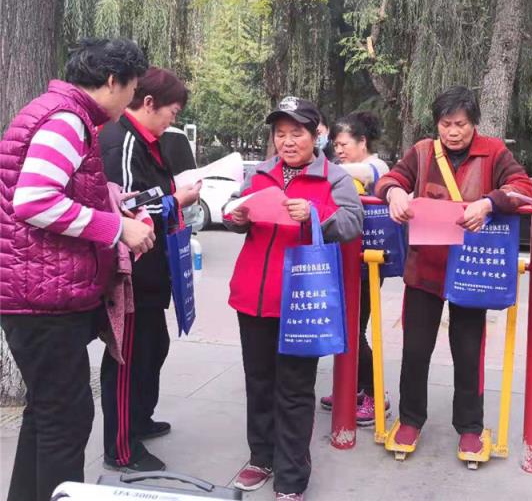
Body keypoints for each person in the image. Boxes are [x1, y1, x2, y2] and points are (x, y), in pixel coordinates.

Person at [0, 38, 152, 501]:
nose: (131, 101)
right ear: (113, 80)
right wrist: (117, 228)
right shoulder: (66, 120)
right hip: (41, 300)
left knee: (47, 414)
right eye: (133, 89)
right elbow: (34, 201)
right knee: (66, 420)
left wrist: (104, 195)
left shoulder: (62, 113)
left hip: (36, 292)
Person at [374, 86, 532, 456]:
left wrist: (489, 203)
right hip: (424, 269)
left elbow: (522, 186)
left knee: (468, 351)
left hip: (470, 271)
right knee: (415, 350)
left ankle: (470, 426)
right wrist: (394, 193)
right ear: (437, 124)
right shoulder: (421, 152)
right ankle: (410, 419)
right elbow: (388, 179)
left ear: (473, 122)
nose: (453, 132)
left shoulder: (493, 151)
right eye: (445, 124)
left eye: (460, 124)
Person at [224, 96, 362, 499]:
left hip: (301, 300)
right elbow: (237, 214)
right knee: (258, 382)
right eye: (280, 133)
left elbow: (352, 222)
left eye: (296, 133)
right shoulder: (261, 173)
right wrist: (237, 217)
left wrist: (315, 213)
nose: (286, 141)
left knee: (295, 390)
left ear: (316, 135)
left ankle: (291, 477)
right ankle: (260, 457)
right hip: (253, 296)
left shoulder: (334, 178)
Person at [99, 67, 202, 472]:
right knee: (127, 359)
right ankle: (121, 448)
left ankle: (139, 419)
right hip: (132, 275)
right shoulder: (122, 140)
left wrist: (173, 194)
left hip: (153, 270)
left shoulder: (148, 142)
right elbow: (126, 208)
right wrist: (177, 200)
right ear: (148, 103)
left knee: (153, 347)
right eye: (172, 113)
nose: (172, 121)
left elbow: (150, 193)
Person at [319, 111, 390, 425]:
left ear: (363, 142)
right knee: (344, 328)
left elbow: (358, 173)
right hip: (343, 258)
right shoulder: (341, 169)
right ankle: (351, 387)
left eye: (344, 144)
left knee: (354, 330)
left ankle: (376, 395)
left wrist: (319, 166)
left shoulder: (377, 166)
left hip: (366, 264)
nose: (339, 150)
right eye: (335, 145)